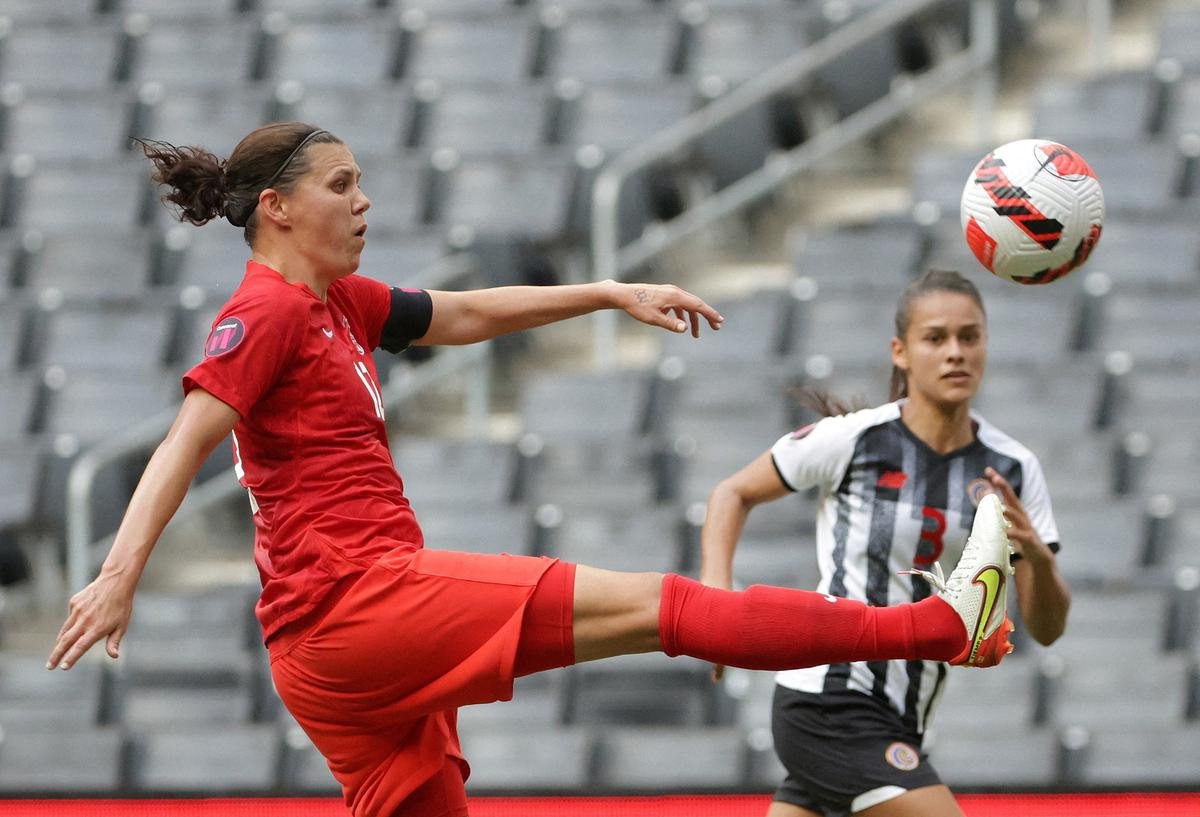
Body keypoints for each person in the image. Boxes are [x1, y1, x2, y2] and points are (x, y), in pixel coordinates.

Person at [48, 124, 1015, 817]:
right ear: (277, 208)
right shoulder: (261, 313)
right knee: (662, 605)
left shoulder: (338, 303)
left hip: (329, 651)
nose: (363, 198)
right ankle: (939, 625)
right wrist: (121, 572)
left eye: (361, 181)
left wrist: (604, 291)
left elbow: (459, 315)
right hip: (355, 604)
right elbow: (187, 438)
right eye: (341, 184)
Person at [700, 269, 1071, 817]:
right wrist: (715, 603)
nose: (955, 353)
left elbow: (1047, 627)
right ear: (900, 351)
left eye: (970, 337)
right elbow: (732, 492)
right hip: (830, 696)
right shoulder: (856, 438)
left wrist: (1036, 557)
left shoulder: (1012, 467)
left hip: (905, 714)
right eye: (936, 338)